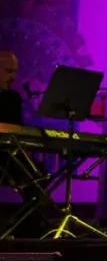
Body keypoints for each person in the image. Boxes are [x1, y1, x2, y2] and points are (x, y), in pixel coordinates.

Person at [0, 50, 48, 238]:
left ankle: (25, 229)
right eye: (8, 71)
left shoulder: (12, 99)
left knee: (38, 173)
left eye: (15, 72)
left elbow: (18, 133)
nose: (13, 77)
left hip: (7, 157)